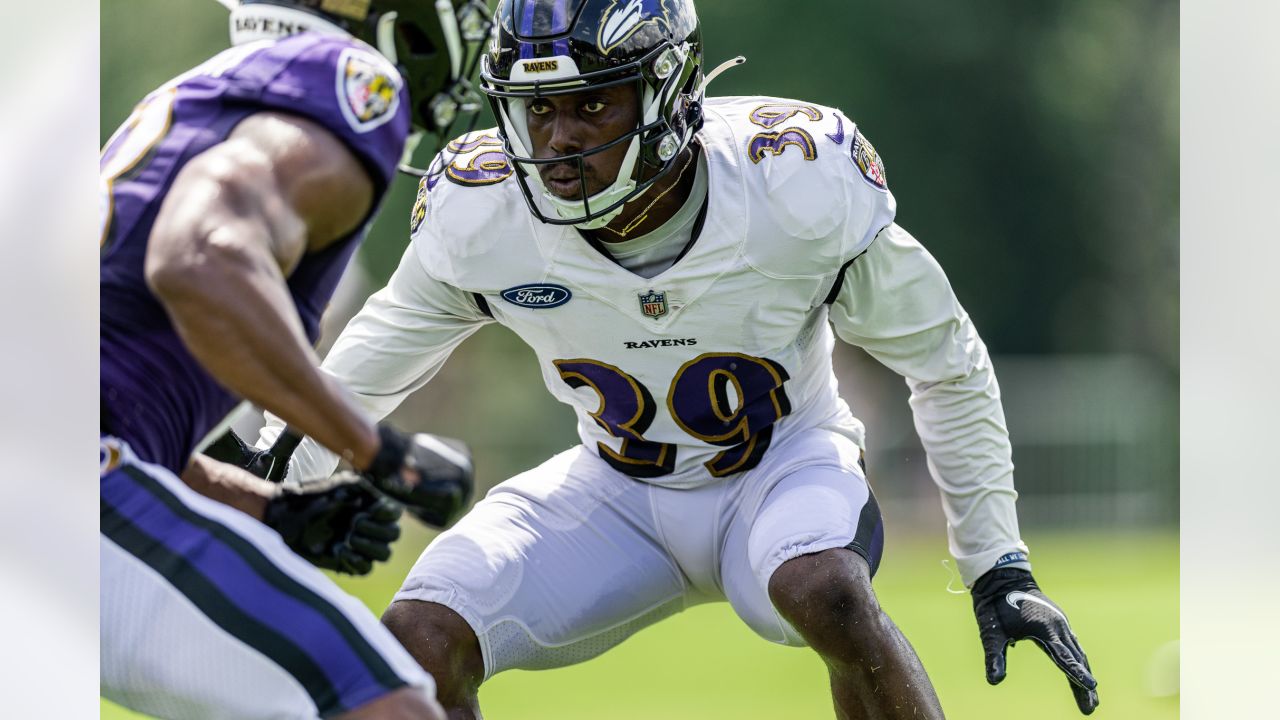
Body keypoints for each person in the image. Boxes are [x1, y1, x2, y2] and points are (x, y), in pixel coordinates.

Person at [260, 0, 1100, 717]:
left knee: (826, 592)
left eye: (590, 106)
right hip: (616, 487)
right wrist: (261, 493)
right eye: (536, 109)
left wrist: (997, 564)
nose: (557, 141)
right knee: (418, 636)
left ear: (664, 90)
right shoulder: (482, 212)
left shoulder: (792, 181)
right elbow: (354, 375)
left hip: (785, 468)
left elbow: (944, 360)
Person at [99, 1, 492, 717]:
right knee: (391, 704)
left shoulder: (204, 96)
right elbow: (200, 258)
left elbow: (108, 402)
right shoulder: (342, 81)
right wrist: (376, 449)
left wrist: (270, 510)